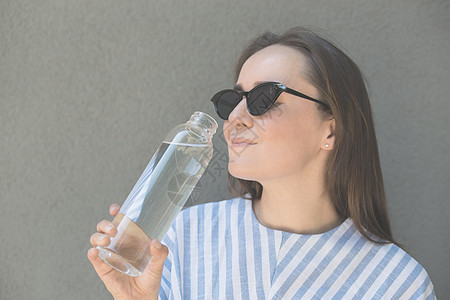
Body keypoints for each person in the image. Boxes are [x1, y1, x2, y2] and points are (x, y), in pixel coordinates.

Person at [88, 27, 436, 299]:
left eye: (263, 97)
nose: (235, 117)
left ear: (331, 129)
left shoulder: (397, 283)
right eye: (232, 100)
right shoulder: (180, 238)